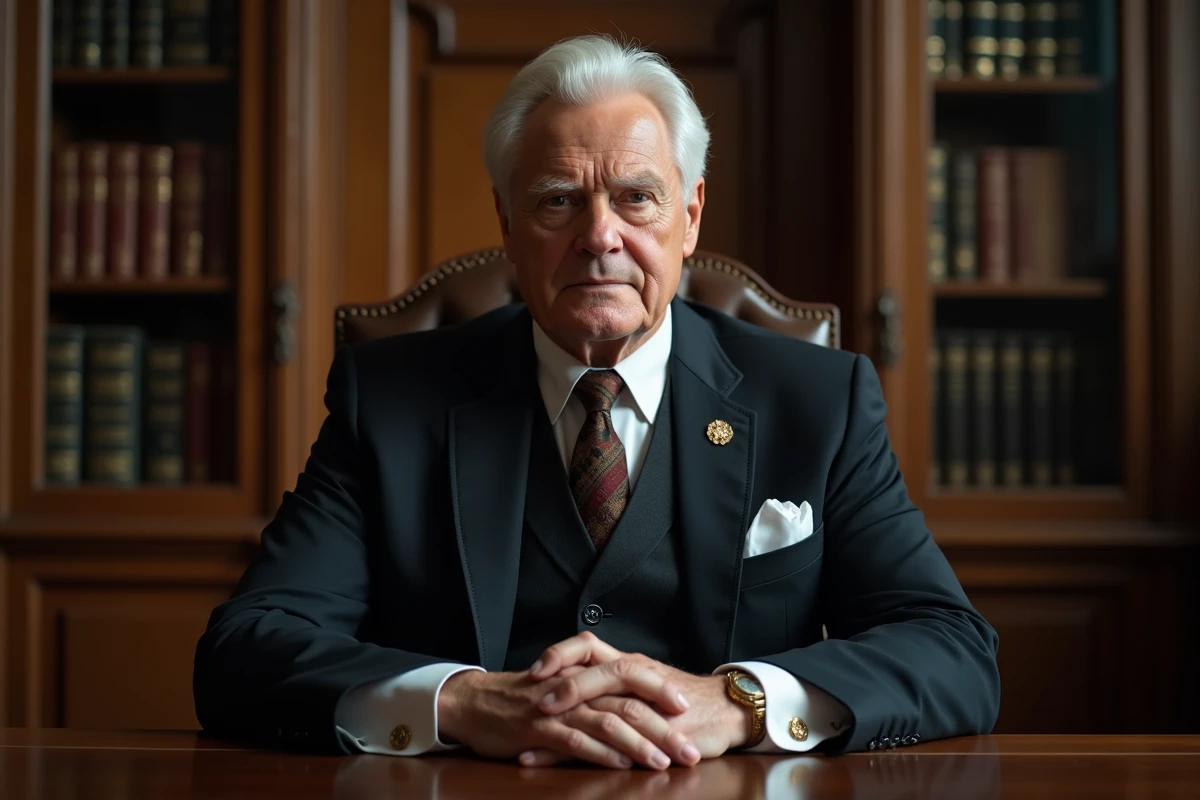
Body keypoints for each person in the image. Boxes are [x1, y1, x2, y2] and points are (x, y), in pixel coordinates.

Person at [193, 35, 999, 770]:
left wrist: (743, 701)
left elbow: (953, 648)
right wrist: (462, 702)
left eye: (637, 198)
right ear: (507, 224)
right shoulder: (393, 402)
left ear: (689, 218)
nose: (600, 236)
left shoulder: (817, 402)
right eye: (557, 201)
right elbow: (246, 649)